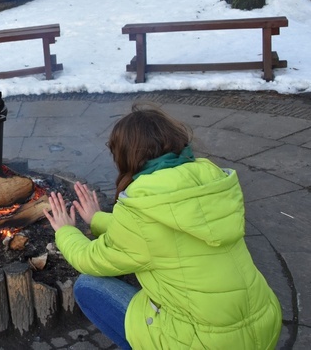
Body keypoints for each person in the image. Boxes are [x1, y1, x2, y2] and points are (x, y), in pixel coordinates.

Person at [43, 104, 282, 350]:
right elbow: (162, 232)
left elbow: (91, 259)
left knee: (87, 286)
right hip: (263, 325)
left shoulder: (141, 208)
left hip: (205, 343)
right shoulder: (213, 183)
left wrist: (65, 231)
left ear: (126, 156)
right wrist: (98, 220)